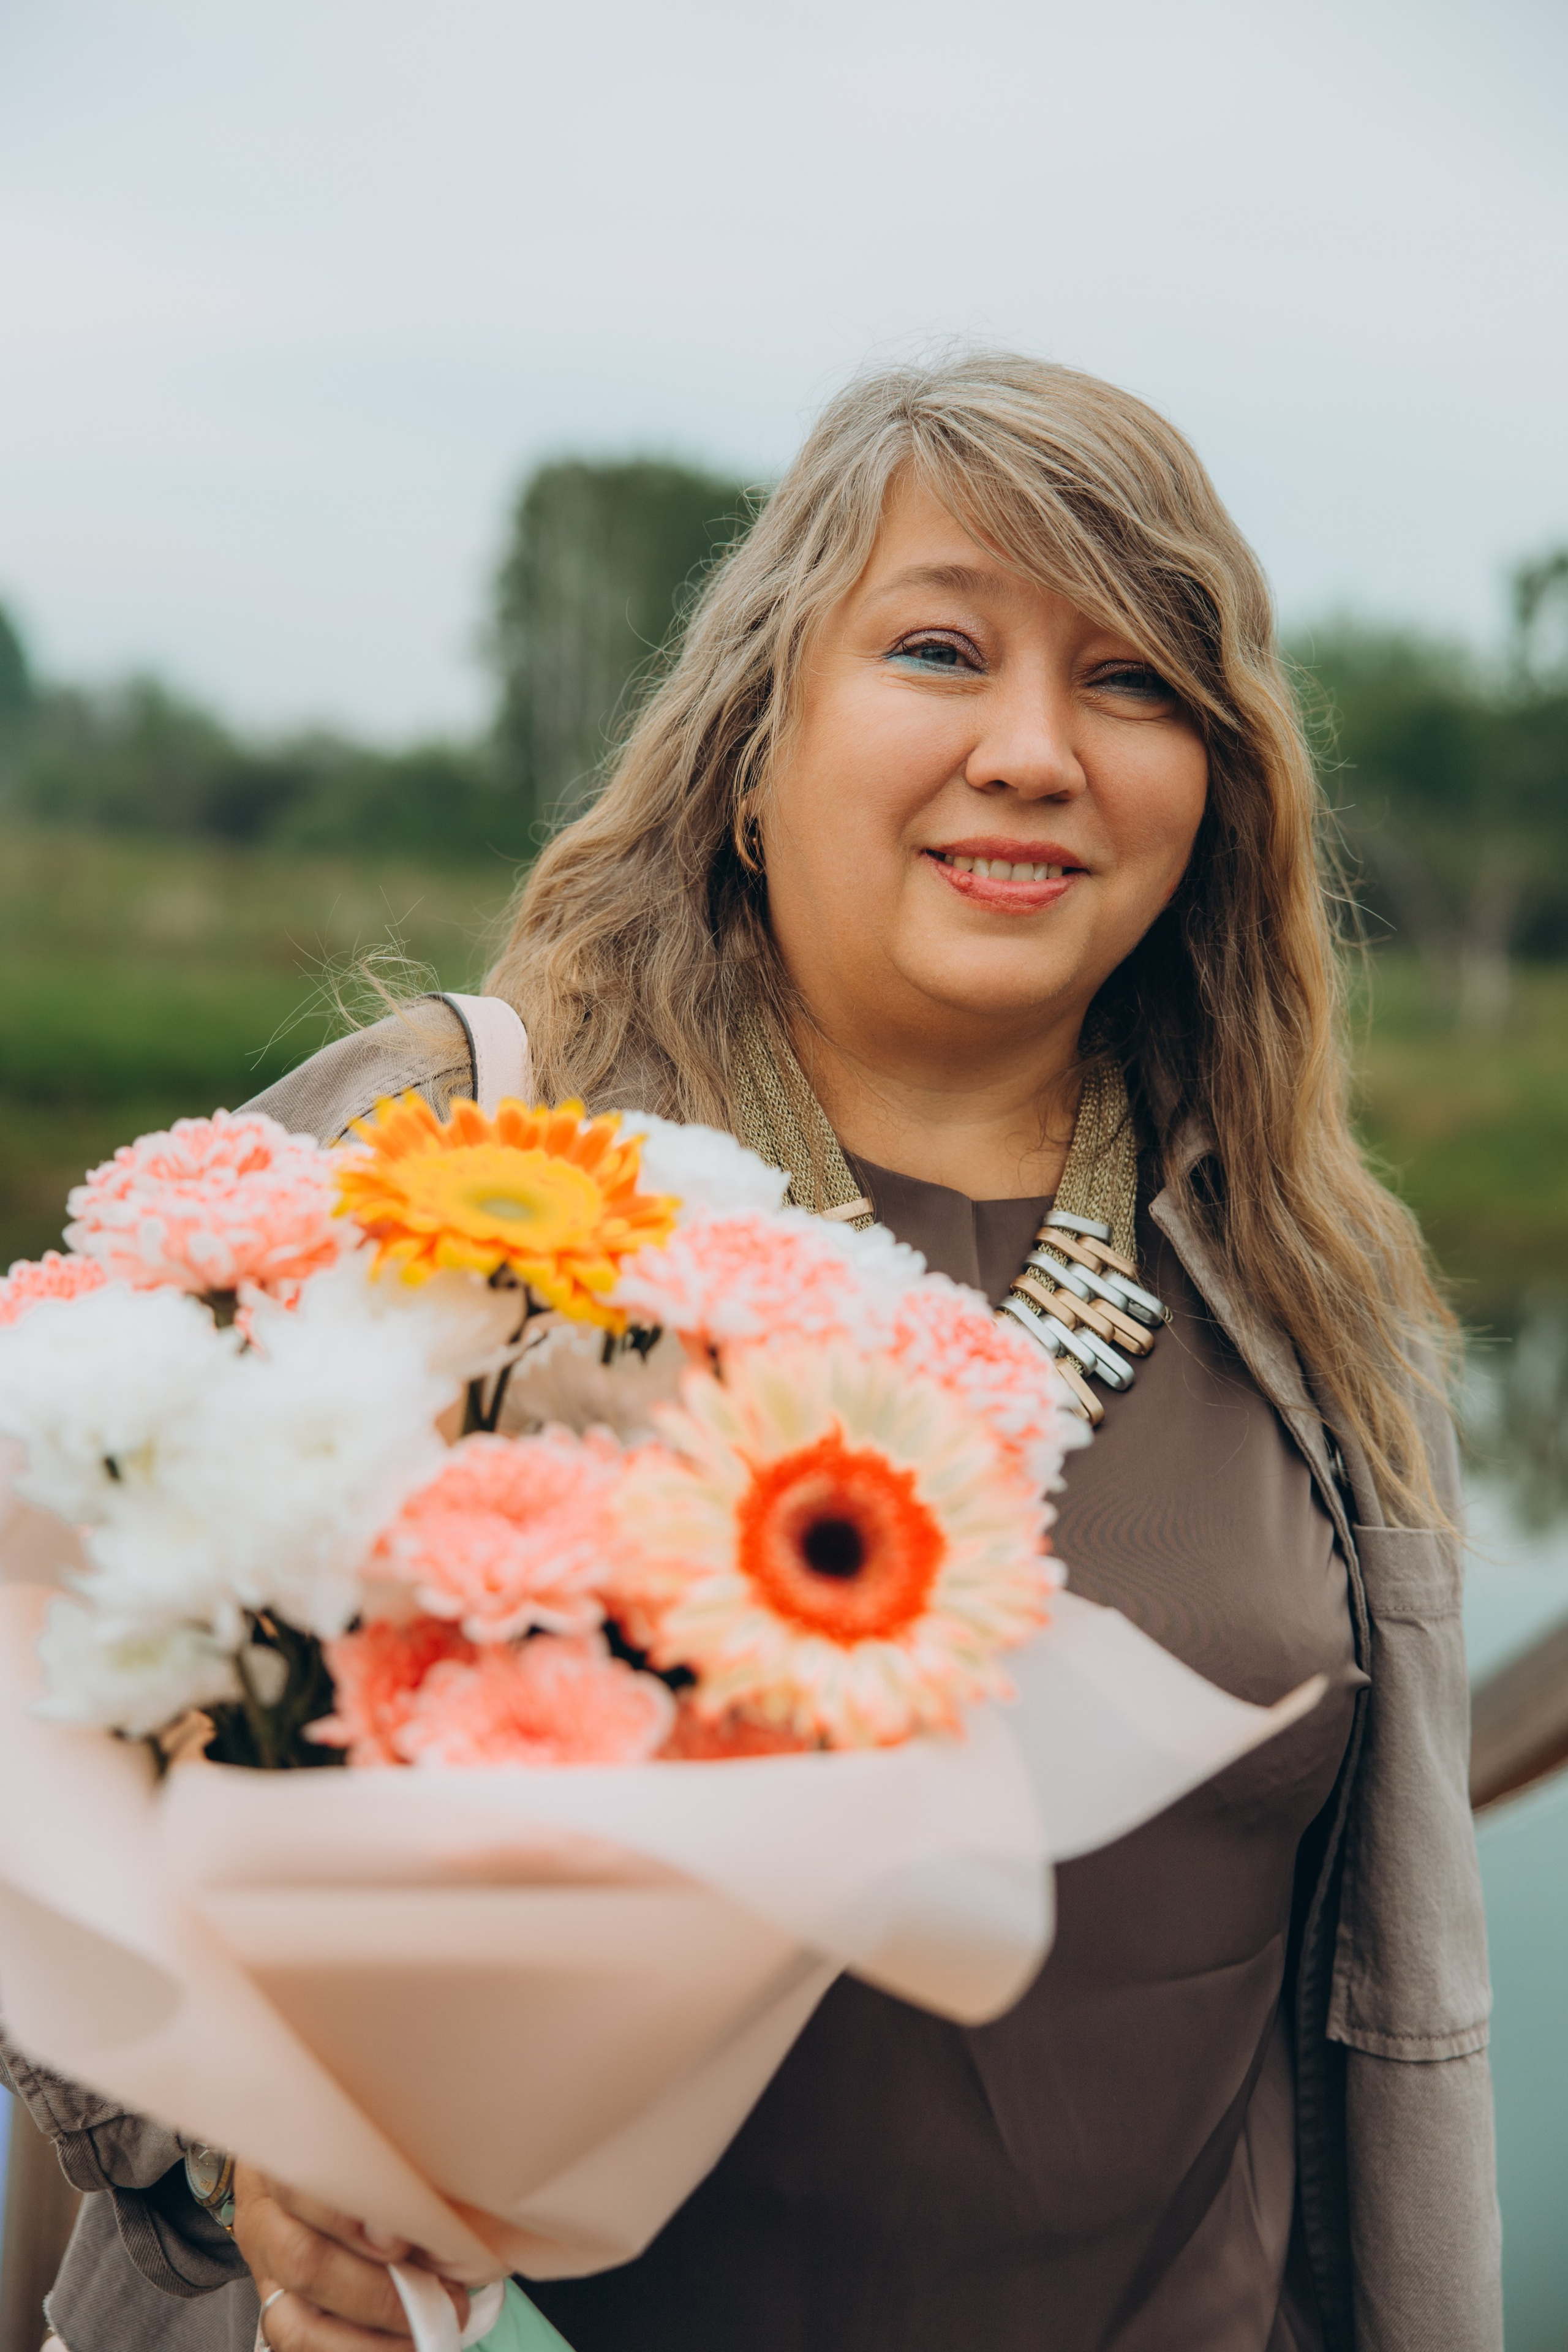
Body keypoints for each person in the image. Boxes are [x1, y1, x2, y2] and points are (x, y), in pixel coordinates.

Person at [4, 353, 1499, 2352]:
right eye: (944, 648)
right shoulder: (470, 1167)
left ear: (1218, 782)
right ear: (750, 737)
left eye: (1137, 680)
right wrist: (232, 2171)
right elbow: (78, 1708)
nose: (1039, 751)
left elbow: (1373, 2005)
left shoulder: (1321, 1285)